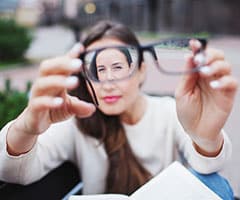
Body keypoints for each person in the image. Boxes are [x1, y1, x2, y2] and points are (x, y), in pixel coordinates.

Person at [0, 20, 238, 198]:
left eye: (118, 67)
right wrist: (26, 127)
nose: (109, 81)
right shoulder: (77, 119)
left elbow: (209, 167)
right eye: (99, 70)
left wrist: (205, 136)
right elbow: (13, 172)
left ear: (141, 70)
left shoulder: (168, 112)